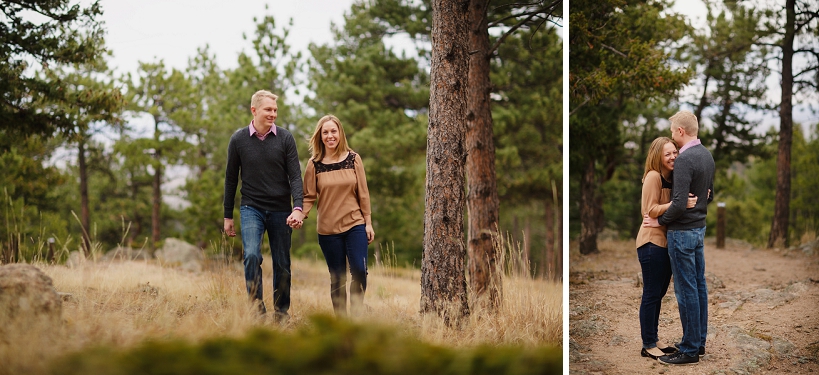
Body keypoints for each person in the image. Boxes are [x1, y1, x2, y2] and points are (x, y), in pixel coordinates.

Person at [223, 90, 304, 321]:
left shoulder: (285, 138)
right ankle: (257, 311)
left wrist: (297, 207)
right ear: (254, 110)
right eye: (268, 109)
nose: (273, 114)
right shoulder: (238, 140)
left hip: (281, 209)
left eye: (275, 110)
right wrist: (228, 215)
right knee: (250, 255)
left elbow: (295, 177)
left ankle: (281, 313)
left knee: (282, 262)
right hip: (251, 208)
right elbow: (230, 179)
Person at [644, 110, 715, 365]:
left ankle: (689, 349)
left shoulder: (685, 159)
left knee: (686, 291)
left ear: (681, 131)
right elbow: (709, 195)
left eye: (674, 131)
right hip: (699, 230)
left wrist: (658, 221)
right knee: (699, 287)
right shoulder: (707, 155)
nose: (673, 136)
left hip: (682, 233)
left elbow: (677, 204)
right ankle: (700, 342)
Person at [289, 114, 374, 317]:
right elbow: (308, 196)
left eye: (333, 131)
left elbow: (363, 193)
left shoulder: (354, 159)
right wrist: (299, 213)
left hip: (355, 224)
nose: (330, 136)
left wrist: (368, 223)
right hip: (328, 230)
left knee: (360, 272)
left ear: (340, 133)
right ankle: (341, 323)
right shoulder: (314, 164)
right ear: (320, 136)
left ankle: (356, 315)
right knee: (338, 278)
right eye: (325, 132)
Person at [636, 137, 698, 360]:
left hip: (665, 242)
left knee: (659, 294)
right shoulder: (653, 177)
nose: (673, 157)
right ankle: (648, 344)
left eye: (675, 152)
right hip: (651, 243)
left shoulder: (672, 177)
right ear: (657, 157)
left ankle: (654, 338)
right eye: (667, 154)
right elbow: (649, 209)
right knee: (651, 294)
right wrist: (676, 204)